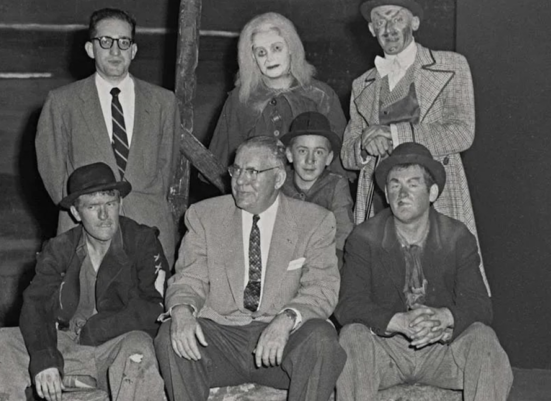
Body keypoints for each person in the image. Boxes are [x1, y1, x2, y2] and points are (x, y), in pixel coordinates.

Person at [155, 136, 345, 401]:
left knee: (322, 338)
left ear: (278, 179)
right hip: (220, 340)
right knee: (170, 335)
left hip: (280, 344)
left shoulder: (314, 221)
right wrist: (183, 312)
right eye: (237, 170)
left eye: (253, 172)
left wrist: (286, 319)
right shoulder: (204, 215)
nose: (240, 181)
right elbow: (189, 279)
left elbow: (322, 288)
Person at [334, 143, 512, 401]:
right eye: (394, 184)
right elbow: (348, 305)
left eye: (413, 184)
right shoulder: (364, 238)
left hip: (441, 352)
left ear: (432, 192)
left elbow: (480, 305)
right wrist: (398, 322)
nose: (402, 193)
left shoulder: (456, 236)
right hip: (387, 353)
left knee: (484, 339)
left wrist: (444, 317)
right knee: (351, 336)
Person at [340, 0, 489, 291]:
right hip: (381, 203)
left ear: (416, 22)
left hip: (439, 198)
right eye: (380, 21)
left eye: (397, 18)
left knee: (446, 289)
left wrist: (395, 135)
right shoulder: (361, 85)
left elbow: (462, 132)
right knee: (383, 291)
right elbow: (347, 155)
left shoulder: (451, 66)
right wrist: (365, 145)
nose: (389, 28)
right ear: (371, 29)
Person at [0, 162, 170, 401]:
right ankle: (76, 380)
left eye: (110, 204)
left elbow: (154, 307)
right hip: (65, 346)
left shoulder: (142, 241)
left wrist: (95, 329)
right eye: (93, 207)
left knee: (138, 346)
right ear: (76, 213)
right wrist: (45, 359)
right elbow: (37, 304)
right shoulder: (59, 249)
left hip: (115, 349)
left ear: (120, 204)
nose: (104, 215)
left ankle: (85, 381)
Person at [36, 7, 180, 265]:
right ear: (91, 49)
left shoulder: (163, 102)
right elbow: (53, 171)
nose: (115, 51)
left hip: (149, 233)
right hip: (84, 237)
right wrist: (85, 213)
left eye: (124, 42)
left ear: (133, 51)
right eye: (106, 41)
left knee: (148, 304)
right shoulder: (62, 102)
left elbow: (165, 169)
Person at [208, 12, 348, 178]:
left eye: (276, 48)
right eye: (261, 52)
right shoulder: (240, 100)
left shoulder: (322, 96)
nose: (269, 58)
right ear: (252, 58)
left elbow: (340, 167)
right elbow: (221, 167)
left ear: (290, 48)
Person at [280, 111, 354, 270]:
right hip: (283, 261)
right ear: (289, 155)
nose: (310, 160)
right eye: (302, 151)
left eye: (319, 152)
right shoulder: (280, 182)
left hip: (324, 262)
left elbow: (344, 234)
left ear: (328, 158)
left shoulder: (336, 185)